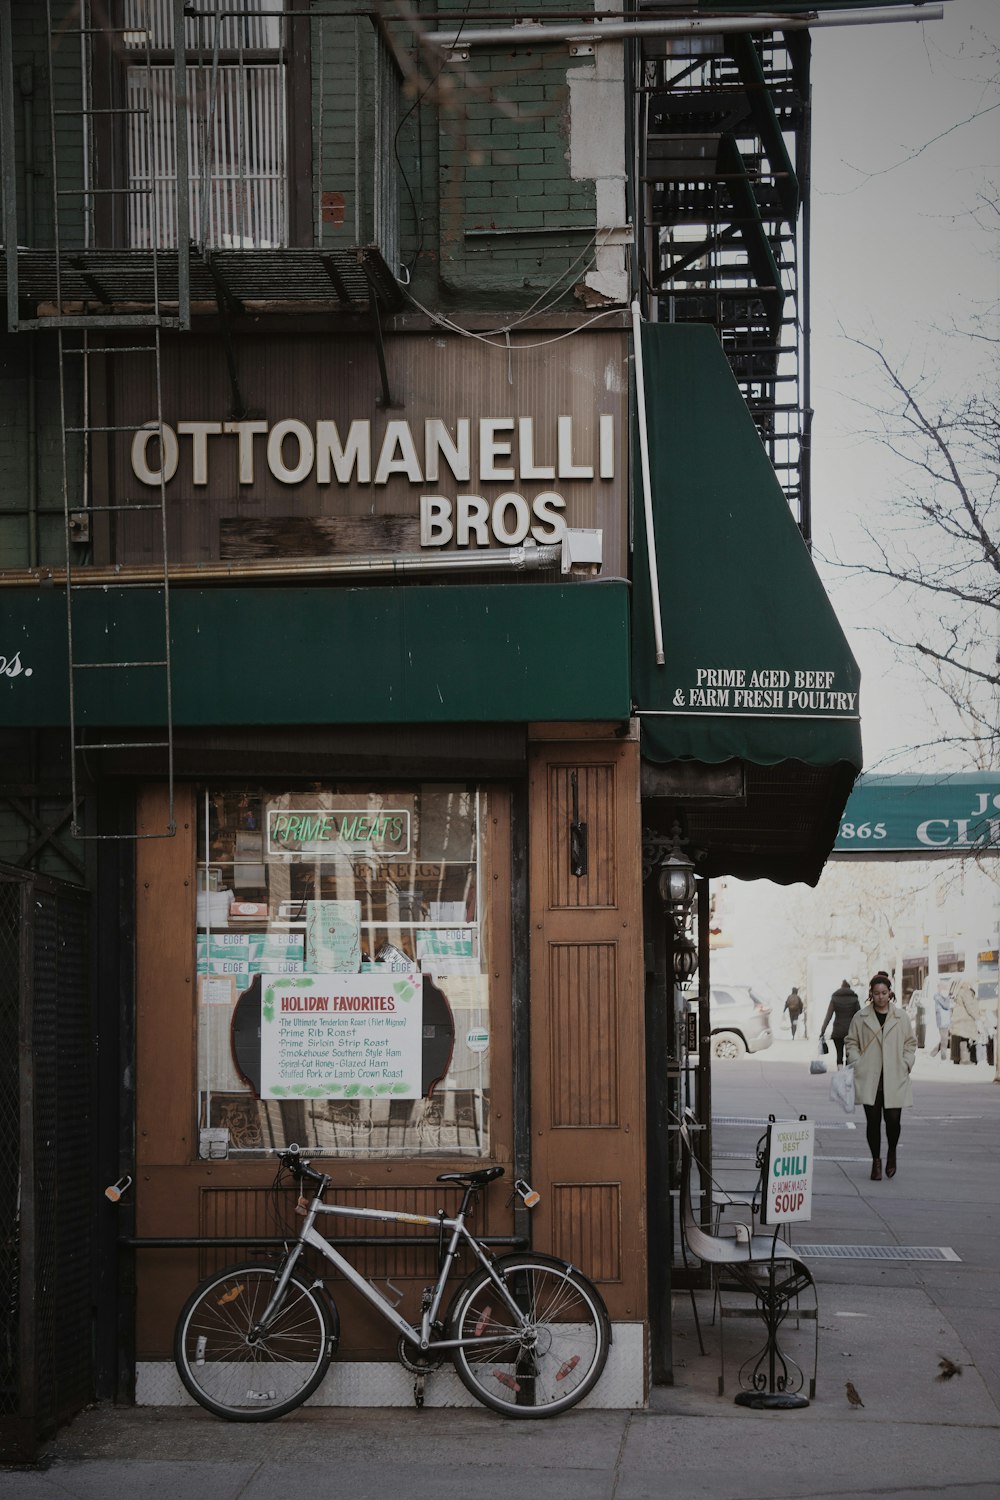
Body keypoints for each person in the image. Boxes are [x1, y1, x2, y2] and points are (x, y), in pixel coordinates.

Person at [846, 972, 916, 1181]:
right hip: (870, 1078)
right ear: (871, 994)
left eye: (884, 993)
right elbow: (851, 1042)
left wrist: (906, 1063)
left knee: (893, 1122)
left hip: (895, 1076)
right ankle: (876, 1161)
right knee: (873, 1122)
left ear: (890, 993)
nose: (881, 997)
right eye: (876, 993)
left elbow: (910, 1043)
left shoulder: (901, 1017)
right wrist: (857, 1062)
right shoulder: (861, 1017)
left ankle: (892, 1153)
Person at [819, 979, 860, 1066]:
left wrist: (823, 1030)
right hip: (850, 1032)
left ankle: (840, 1073)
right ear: (849, 988)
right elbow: (859, 1016)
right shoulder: (854, 998)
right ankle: (847, 1075)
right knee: (849, 1055)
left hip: (837, 1031)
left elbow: (828, 1016)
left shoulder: (835, 998)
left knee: (839, 1054)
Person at [948, 979, 979, 1065]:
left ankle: (955, 1058)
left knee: (956, 1039)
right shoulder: (966, 992)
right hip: (965, 1020)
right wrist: (977, 1017)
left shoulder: (958, 992)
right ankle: (973, 1059)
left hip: (957, 1019)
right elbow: (970, 1007)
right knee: (972, 1037)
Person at [932, 984, 952, 1061]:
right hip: (943, 1021)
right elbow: (946, 1006)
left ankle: (933, 1053)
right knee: (944, 1040)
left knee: (944, 1039)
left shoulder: (940, 997)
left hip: (944, 1021)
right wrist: (948, 998)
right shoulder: (939, 998)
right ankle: (943, 1057)